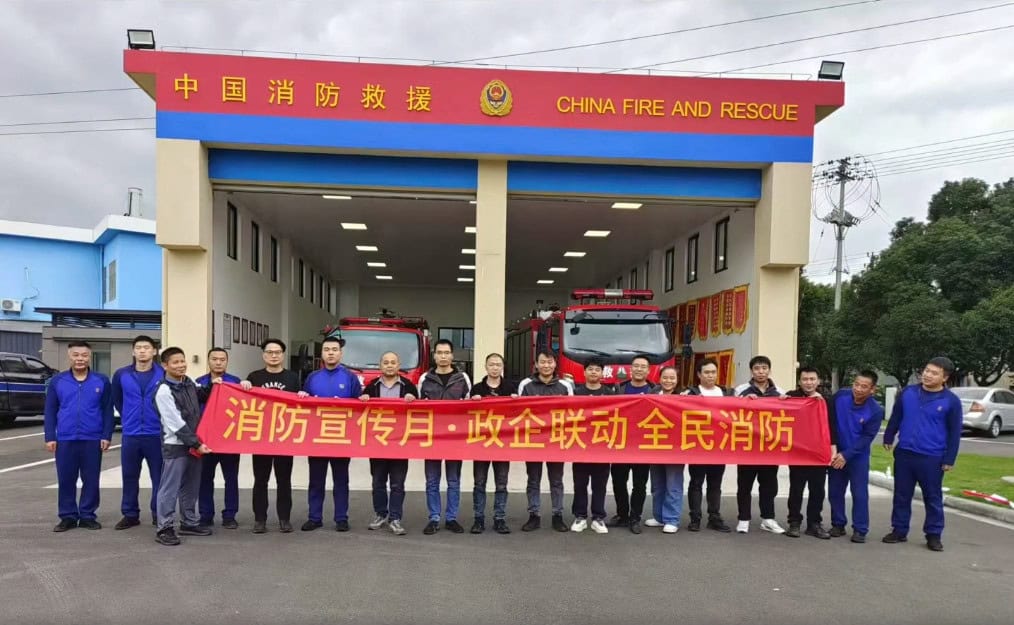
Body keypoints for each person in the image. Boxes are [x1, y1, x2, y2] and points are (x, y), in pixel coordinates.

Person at [882, 357, 962, 552]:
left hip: (932, 457)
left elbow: (954, 432)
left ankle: (933, 535)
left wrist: (949, 458)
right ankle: (899, 530)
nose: (927, 375)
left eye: (934, 373)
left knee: (932, 497)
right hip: (905, 453)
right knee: (901, 495)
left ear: (945, 378)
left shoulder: (951, 401)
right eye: (926, 370)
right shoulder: (909, 392)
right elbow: (896, 416)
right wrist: (889, 435)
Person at [44, 341, 114, 532]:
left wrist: (106, 435)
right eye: (76, 355)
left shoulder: (101, 381)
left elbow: (107, 410)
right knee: (66, 478)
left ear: (89, 356)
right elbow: (50, 410)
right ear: (70, 356)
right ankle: (67, 516)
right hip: (65, 438)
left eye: (84, 355)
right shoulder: (58, 381)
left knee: (91, 478)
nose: (80, 359)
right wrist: (50, 436)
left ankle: (87, 515)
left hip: (92, 438)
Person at [297, 335, 362, 532]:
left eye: (334, 349)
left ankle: (341, 518)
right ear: (322, 353)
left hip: (341, 437)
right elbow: (303, 405)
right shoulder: (312, 377)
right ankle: (314, 517)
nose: (331, 353)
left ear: (340, 353)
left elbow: (360, 407)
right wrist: (303, 397)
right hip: (317, 438)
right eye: (327, 350)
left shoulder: (350, 378)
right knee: (316, 480)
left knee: (341, 480)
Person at [153, 347, 214, 546]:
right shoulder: (163, 390)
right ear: (165, 365)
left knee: (191, 485)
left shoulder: (188, 382)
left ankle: (189, 522)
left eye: (182, 361)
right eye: (175, 362)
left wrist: (216, 384)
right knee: (169, 488)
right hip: (176, 445)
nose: (181, 365)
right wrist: (197, 443)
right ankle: (165, 527)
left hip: (195, 444)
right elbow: (175, 423)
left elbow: (203, 395)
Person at [241, 338, 302, 534]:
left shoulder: (293, 378)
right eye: (270, 352)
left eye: (277, 352)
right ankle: (260, 519)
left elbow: (300, 404)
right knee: (261, 480)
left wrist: (302, 395)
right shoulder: (254, 376)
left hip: (284, 436)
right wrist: (243, 386)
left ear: (283, 355)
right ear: (263, 355)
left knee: (284, 480)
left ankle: (284, 519)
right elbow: (244, 401)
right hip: (261, 437)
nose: (274, 355)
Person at [360, 351, 418, 536]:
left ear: (399, 365)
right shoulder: (371, 387)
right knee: (378, 482)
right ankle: (380, 514)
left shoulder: (409, 386)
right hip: (378, 442)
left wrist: (414, 401)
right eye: (386, 362)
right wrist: (363, 400)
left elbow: (420, 412)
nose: (390, 365)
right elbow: (361, 411)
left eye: (393, 362)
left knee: (397, 484)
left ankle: (395, 518)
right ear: (380, 366)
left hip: (400, 443)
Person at [417, 339, 471, 535]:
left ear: (452, 355)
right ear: (434, 355)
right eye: (439, 352)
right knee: (432, 480)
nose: (443, 356)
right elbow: (417, 408)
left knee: (453, 480)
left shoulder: (462, 378)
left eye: (446, 352)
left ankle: (451, 518)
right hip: (432, 436)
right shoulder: (425, 379)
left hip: (455, 438)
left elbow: (470, 408)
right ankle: (434, 518)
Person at [111, 335, 164, 530]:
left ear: (154, 352)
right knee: (130, 475)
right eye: (139, 348)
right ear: (133, 352)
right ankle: (130, 514)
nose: (142, 351)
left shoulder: (163, 373)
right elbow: (117, 399)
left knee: (159, 477)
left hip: (156, 434)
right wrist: (128, 416)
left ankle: (159, 514)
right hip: (131, 434)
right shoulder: (121, 374)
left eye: (147, 348)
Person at [518, 349, 574, 532]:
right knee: (533, 479)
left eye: (550, 362)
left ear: (555, 364)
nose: (546, 365)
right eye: (542, 362)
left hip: (556, 441)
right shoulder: (526, 385)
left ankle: (557, 515)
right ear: (536, 364)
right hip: (533, 440)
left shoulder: (565, 386)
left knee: (556, 480)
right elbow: (517, 411)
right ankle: (534, 514)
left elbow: (573, 413)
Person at [827, 369, 882, 543]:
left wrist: (847, 455)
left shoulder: (876, 410)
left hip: (857, 456)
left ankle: (860, 529)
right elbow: (824, 409)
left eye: (864, 386)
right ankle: (838, 524)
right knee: (835, 492)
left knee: (859, 493)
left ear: (872, 389)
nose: (858, 389)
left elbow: (867, 437)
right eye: (856, 384)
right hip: (836, 453)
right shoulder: (841, 396)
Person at [784, 366, 839, 539]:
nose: (809, 383)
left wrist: (833, 449)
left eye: (812, 379)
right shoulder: (791, 397)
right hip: (798, 452)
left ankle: (814, 523)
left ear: (818, 381)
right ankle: (794, 522)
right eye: (805, 379)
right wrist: (781, 401)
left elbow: (832, 425)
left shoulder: (826, 400)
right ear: (799, 381)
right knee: (796, 489)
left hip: (818, 452)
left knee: (817, 490)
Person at [734, 355, 786, 534]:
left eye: (764, 368)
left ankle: (768, 518)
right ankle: (743, 519)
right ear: (751, 371)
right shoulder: (741, 389)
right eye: (757, 368)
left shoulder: (779, 391)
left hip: (770, 447)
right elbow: (731, 411)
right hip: (747, 446)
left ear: (769, 370)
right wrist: (743, 401)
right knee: (744, 485)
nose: (761, 371)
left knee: (769, 485)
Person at [469, 352, 518, 534]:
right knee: (479, 483)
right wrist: (471, 402)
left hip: (503, 443)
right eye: (491, 364)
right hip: (481, 443)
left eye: (498, 365)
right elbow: (466, 415)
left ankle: (499, 518)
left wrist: (516, 402)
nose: (495, 368)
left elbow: (518, 415)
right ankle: (478, 519)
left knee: (501, 484)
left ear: (502, 367)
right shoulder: (476, 389)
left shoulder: (511, 388)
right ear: (486, 366)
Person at [682, 358, 733, 533]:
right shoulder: (690, 393)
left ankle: (714, 517)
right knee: (696, 483)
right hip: (698, 445)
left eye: (713, 372)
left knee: (715, 484)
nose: (710, 375)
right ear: (698, 375)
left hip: (719, 447)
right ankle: (695, 518)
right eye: (706, 372)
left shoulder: (727, 393)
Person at [195, 348, 242, 529]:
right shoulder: (199, 382)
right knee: (205, 479)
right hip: (206, 440)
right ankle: (206, 515)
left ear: (227, 362)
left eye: (222, 359)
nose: (218, 362)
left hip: (229, 439)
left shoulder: (235, 382)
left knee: (231, 479)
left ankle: (230, 515)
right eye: (214, 359)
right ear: (209, 361)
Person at [608, 354, 654, 534]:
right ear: (630, 368)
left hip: (643, 445)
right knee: (618, 481)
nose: (639, 369)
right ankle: (622, 514)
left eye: (643, 366)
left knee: (639, 484)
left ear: (649, 370)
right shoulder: (619, 388)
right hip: (621, 444)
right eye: (636, 366)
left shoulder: (654, 390)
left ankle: (635, 517)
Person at [570, 359, 614, 534]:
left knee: (600, 485)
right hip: (580, 445)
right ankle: (580, 516)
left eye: (597, 369)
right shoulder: (576, 393)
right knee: (580, 484)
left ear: (602, 373)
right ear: (584, 372)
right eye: (590, 369)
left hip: (602, 447)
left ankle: (598, 517)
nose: (594, 372)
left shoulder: (610, 394)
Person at [646, 366, 685, 534]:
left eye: (672, 378)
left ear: (677, 380)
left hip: (676, 448)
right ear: (659, 379)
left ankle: (672, 519)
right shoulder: (651, 395)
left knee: (673, 484)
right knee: (657, 484)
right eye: (665, 378)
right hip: (655, 445)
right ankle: (659, 516)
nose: (668, 381)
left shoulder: (686, 396)